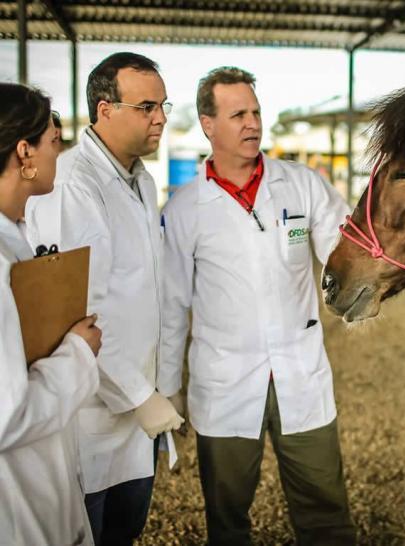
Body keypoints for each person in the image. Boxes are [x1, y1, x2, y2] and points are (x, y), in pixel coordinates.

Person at [159, 66, 356, 546]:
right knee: (227, 522)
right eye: (238, 114)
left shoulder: (303, 186)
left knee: (326, 515)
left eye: (256, 112)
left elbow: (345, 252)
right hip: (223, 384)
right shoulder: (184, 208)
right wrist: (168, 391)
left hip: (301, 374)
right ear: (208, 124)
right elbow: (170, 306)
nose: (252, 124)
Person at [24, 53, 184, 546]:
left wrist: (159, 388)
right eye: (147, 107)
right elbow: (74, 316)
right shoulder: (73, 185)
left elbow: (144, 290)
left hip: (140, 418)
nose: (159, 118)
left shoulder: (143, 179)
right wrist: (141, 396)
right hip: (92, 419)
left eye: (163, 106)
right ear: (105, 109)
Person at [0, 82, 102, 544]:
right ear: (25, 152)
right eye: (53, 143)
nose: (58, 155)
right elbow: (7, 415)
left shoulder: (16, 240)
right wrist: (79, 353)